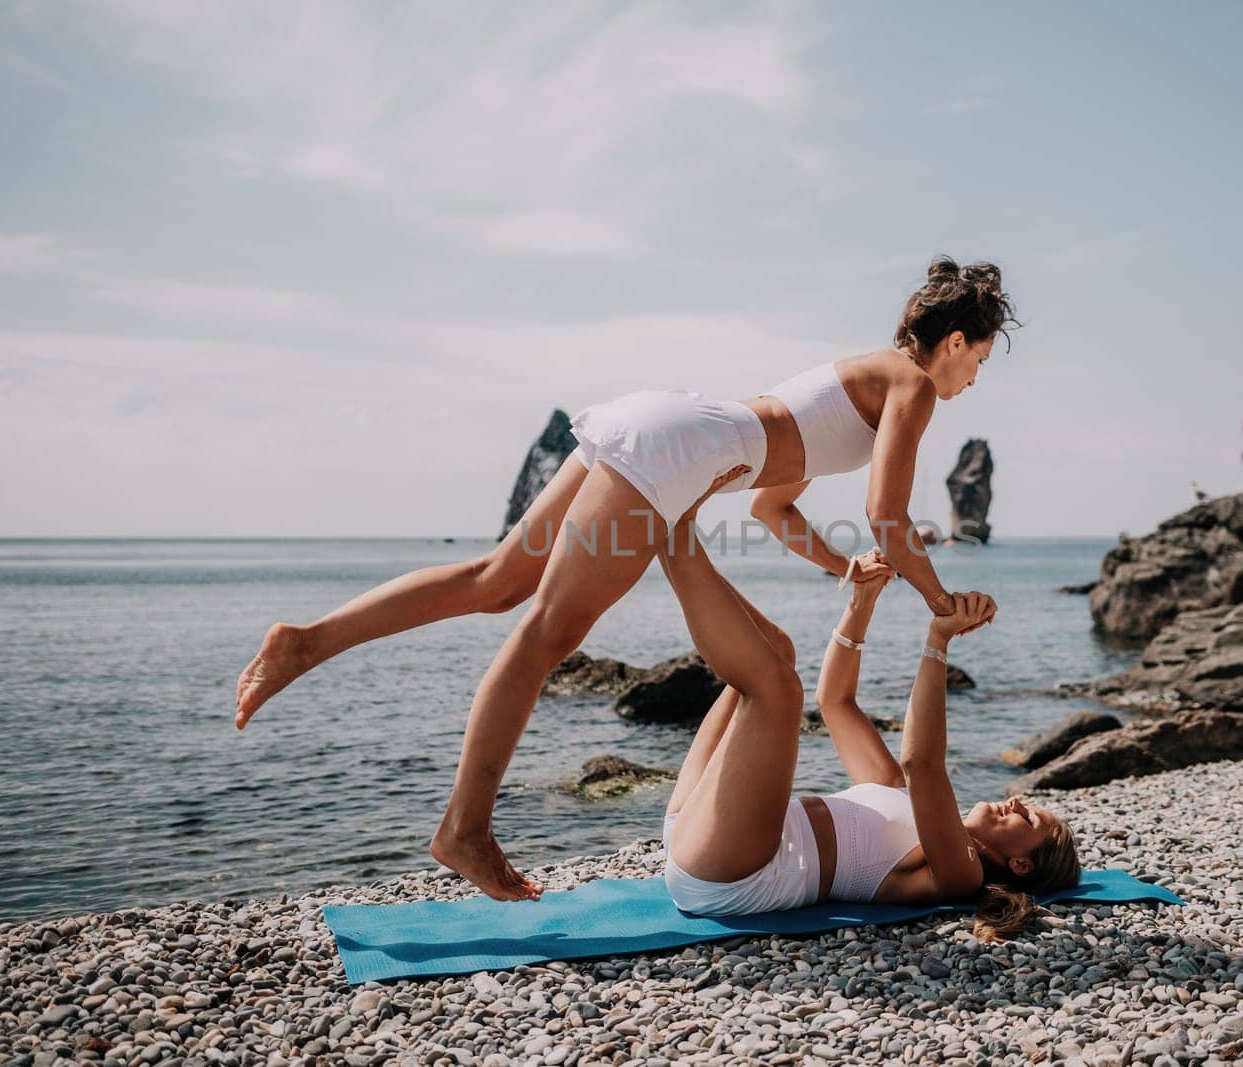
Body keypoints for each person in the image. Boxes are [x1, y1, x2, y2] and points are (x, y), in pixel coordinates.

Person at [234, 257, 1019, 901]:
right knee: (548, 629)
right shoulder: (911, 386)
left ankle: (307, 641)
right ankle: (465, 829)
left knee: (498, 578)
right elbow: (889, 512)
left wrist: (839, 565)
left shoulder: (868, 377)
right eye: (978, 361)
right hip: (677, 453)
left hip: (665, 425)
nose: (973, 381)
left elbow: (775, 508)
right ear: (953, 341)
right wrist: (941, 601)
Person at [659, 537, 1080, 936]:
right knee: (775, 649)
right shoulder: (894, 789)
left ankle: (667, 529)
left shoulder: (960, 872)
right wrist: (863, 600)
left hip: (732, 873)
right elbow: (836, 701)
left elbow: (923, 764)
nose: (1016, 803)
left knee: (776, 688)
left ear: (1020, 864)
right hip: (700, 830)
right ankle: (666, 526)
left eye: (1029, 818)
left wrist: (939, 639)